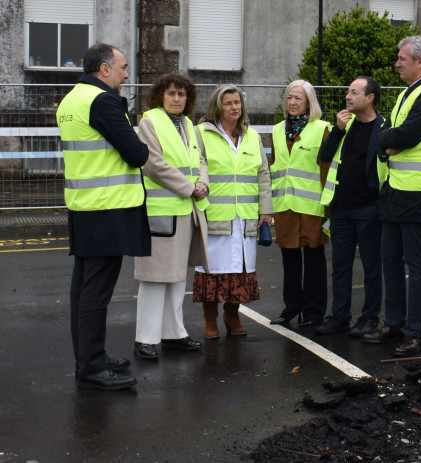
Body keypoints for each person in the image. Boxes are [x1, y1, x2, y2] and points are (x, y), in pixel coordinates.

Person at [57, 43, 150, 390]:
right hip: (108, 207)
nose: (127, 74)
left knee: (82, 291)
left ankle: (89, 358)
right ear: (105, 69)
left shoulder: (72, 99)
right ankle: (92, 367)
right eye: (123, 67)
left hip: (84, 206)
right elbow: (136, 153)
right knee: (95, 293)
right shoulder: (103, 100)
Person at [363, 36, 421, 357]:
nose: (397, 63)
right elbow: (390, 137)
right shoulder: (406, 94)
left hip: (418, 193)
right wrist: (388, 141)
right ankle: (396, 324)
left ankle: (415, 333)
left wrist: (386, 140)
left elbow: (406, 135)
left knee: (416, 263)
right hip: (394, 191)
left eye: (401, 58)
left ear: (419, 62)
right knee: (390, 260)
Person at [133, 74, 209, 360]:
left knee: (177, 277)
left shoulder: (188, 124)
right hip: (161, 212)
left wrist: (203, 183)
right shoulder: (149, 121)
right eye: (172, 94)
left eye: (182, 94)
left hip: (186, 211)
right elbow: (154, 165)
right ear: (159, 96)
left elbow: (200, 160)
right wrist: (191, 187)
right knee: (154, 277)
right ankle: (146, 338)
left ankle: (173, 333)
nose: (177, 99)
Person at [192, 84, 273, 338]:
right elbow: (196, 168)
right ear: (218, 107)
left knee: (241, 269)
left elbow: (263, 175)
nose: (234, 107)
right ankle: (209, 319)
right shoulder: (202, 134)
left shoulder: (252, 136)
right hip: (216, 216)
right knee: (211, 270)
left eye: (237, 102)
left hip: (245, 217)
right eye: (228, 103)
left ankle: (231, 314)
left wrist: (266, 211)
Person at [315, 76, 386, 336]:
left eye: (354, 92)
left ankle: (369, 317)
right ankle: (340, 316)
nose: (347, 96)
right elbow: (324, 156)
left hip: (370, 208)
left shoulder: (384, 128)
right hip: (342, 208)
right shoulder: (345, 125)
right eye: (348, 91)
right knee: (341, 265)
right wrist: (338, 129)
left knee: (371, 266)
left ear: (370, 98)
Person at [268, 80, 330, 327]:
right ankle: (291, 308)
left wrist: (328, 208)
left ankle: (314, 313)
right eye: (289, 98)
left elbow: (326, 171)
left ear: (309, 102)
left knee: (314, 260)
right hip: (285, 207)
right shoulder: (276, 130)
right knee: (289, 260)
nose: (292, 103)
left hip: (312, 208)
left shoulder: (321, 128)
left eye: (298, 98)